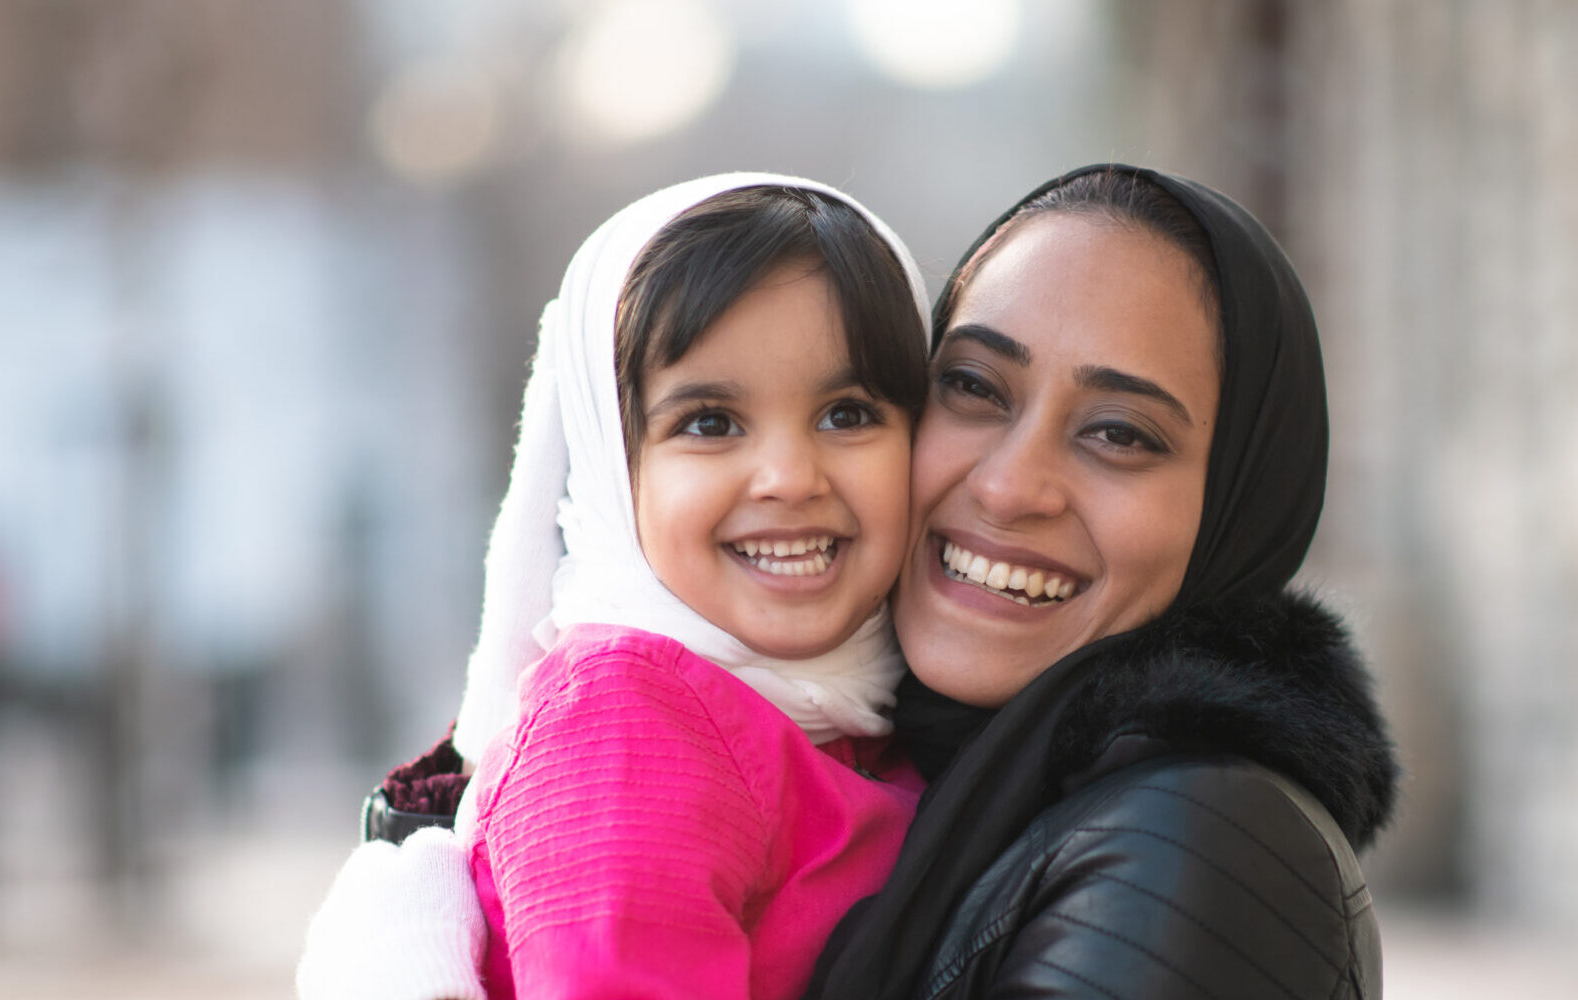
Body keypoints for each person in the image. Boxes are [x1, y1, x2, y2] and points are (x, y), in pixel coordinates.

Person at [305, 164, 1399, 1000]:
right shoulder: (672, 720)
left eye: (1118, 433)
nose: (1011, 485)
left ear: (1242, 493)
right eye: (970, 386)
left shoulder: (1191, 845)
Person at [298, 173, 937, 1000]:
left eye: (847, 414)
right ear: (609, 468)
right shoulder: (627, 719)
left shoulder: (857, 705)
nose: (788, 476)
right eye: (710, 423)